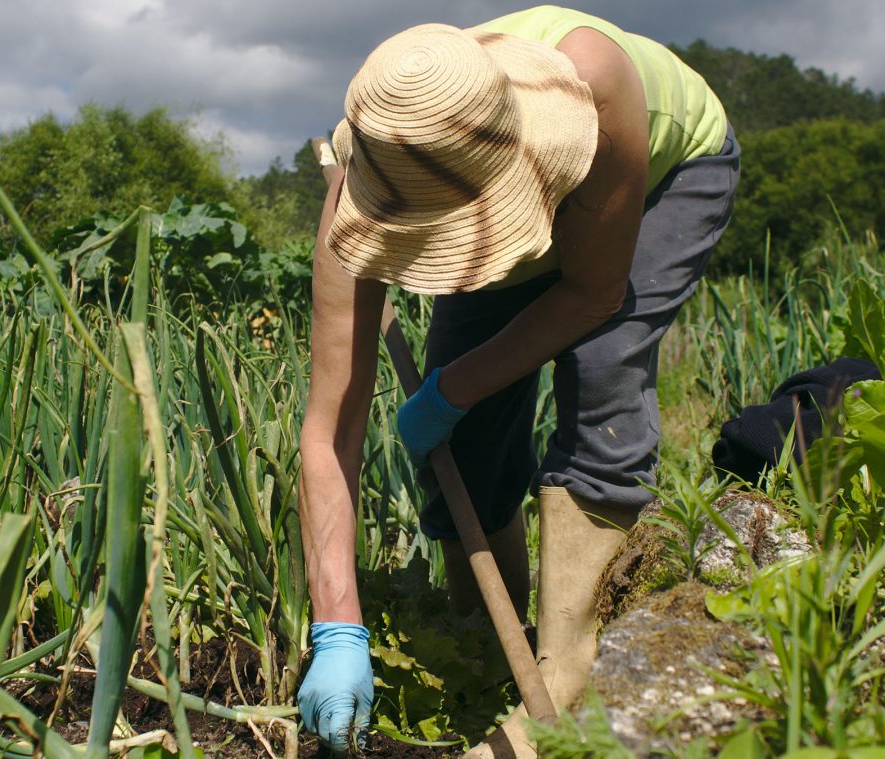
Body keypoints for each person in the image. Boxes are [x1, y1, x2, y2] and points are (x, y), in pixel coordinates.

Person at [295, 5, 739, 757]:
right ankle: (488, 641)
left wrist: (452, 387)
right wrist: (336, 626)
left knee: (601, 370)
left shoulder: (594, 81)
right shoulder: (372, 175)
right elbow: (329, 424)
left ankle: (566, 686)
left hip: (657, 170)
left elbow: (594, 294)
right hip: (479, 175)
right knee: (466, 427)